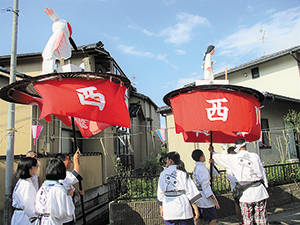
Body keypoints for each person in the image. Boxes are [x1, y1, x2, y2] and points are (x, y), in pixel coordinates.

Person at [209, 138, 269, 225]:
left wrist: (212, 151)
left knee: (248, 220)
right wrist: (266, 185)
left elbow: (220, 158)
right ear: (245, 145)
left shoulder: (233, 158)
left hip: (246, 194)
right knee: (261, 219)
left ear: (236, 147)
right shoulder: (255, 156)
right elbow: (262, 171)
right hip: (259, 191)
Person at [157, 151, 201, 225]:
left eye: (167, 160)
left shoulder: (163, 174)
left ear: (170, 161)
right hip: (183, 208)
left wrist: (161, 208)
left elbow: (160, 193)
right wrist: (196, 209)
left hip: (169, 208)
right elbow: (190, 191)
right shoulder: (183, 173)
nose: (166, 162)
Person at [34, 158, 75, 225]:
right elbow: (63, 213)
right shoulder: (58, 189)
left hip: (41, 220)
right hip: (53, 221)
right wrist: (69, 197)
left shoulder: (42, 187)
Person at [192, 149, 220, 225]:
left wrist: (212, 165)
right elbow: (205, 185)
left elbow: (209, 175)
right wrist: (213, 198)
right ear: (201, 157)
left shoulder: (197, 167)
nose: (204, 157)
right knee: (213, 218)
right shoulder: (202, 168)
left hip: (199, 195)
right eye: (203, 155)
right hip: (205, 197)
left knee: (200, 218)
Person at [55, 149, 83, 225]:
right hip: (65, 217)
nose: (70, 162)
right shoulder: (63, 175)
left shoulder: (62, 175)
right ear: (63, 162)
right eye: (69, 160)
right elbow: (76, 175)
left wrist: (76, 193)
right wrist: (75, 160)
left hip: (66, 215)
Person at [11, 157, 38, 225]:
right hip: (25, 217)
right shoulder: (25, 184)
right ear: (28, 168)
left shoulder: (24, 182)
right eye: (35, 166)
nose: (37, 168)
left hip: (23, 216)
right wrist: (34, 216)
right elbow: (27, 204)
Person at [226, 147, 243, 225]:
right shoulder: (229, 163)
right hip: (236, 187)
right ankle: (240, 220)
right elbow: (229, 176)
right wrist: (237, 182)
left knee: (242, 203)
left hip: (242, 185)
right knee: (237, 203)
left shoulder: (238, 161)